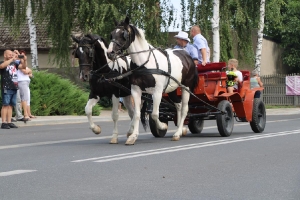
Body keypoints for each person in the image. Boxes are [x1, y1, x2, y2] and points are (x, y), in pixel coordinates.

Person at [0, 49, 27, 129]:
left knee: (11, 105)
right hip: (6, 87)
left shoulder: (14, 64)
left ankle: (9, 122)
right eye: (9, 54)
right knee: (5, 105)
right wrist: (13, 58)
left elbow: (24, 67)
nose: (11, 55)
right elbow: (2, 66)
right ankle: (4, 122)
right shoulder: (2, 62)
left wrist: (23, 60)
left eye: (12, 54)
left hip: (14, 87)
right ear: (5, 55)